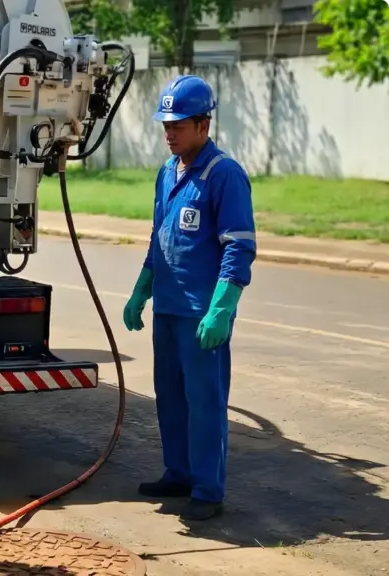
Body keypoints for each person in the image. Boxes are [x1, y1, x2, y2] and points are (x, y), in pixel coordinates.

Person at [122, 75, 256, 522]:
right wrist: (141, 290)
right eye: (166, 124)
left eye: (178, 125)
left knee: (205, 403)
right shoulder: (168, 172)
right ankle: (178, 473)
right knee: (170, 398)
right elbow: (159, 238)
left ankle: (207, 489)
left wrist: (222, 308)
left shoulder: (224, 174)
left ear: (203, 124)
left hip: (201, 314)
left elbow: (239, 246)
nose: (169, 133)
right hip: (168, 307)